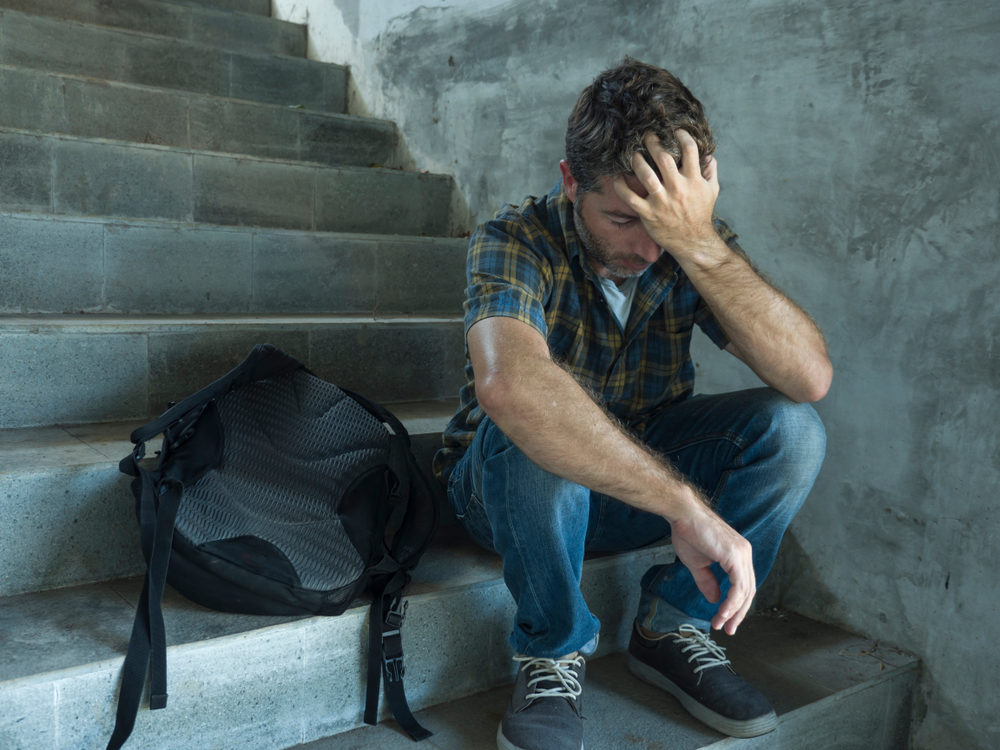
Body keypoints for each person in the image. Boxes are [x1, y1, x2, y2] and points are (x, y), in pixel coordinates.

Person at [432, 57, 832, 750]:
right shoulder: (514, 239)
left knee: (794, 430)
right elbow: (511, 388)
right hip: (505, 492)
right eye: (622, 218)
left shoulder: (684, 244)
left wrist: (701, 244)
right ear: (570, 182)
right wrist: (685, 507)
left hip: (634, 483)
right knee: (541, 425)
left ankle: (672, 626)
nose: (647, 248)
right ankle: (552, 653)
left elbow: (809, 377)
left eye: (665, 227)